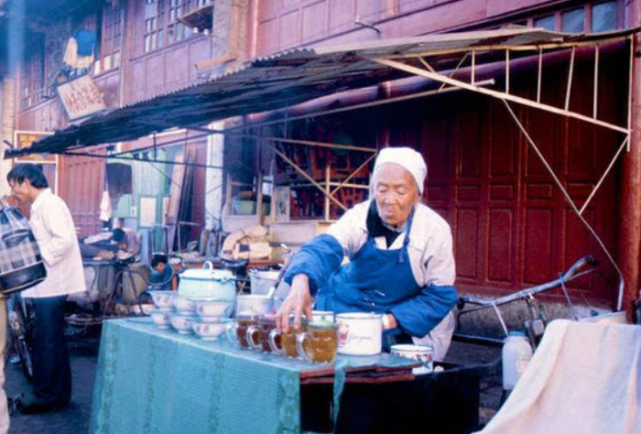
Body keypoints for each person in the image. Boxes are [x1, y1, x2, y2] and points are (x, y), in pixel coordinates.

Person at [276, 147, 458, 359]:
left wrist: (382, 323)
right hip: (349, 308)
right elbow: (324, 247)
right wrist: (301, 282)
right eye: (381, 189)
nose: (389, 200)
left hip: (401, 318)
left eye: (400, 191)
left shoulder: (434, 231)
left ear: (417, 194)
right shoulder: (359, 217)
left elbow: (440, 296)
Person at [7, 163, 86, 413]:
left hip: (53, 285)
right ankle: (56, 394)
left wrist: (37, 259)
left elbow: (63, 241)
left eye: (14, 186)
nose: (14, 192)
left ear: (27, 182)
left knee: (47, 342)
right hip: (47, 285)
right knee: (50, 341)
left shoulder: (50, 205)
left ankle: (48, 397)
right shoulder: (40, 206)